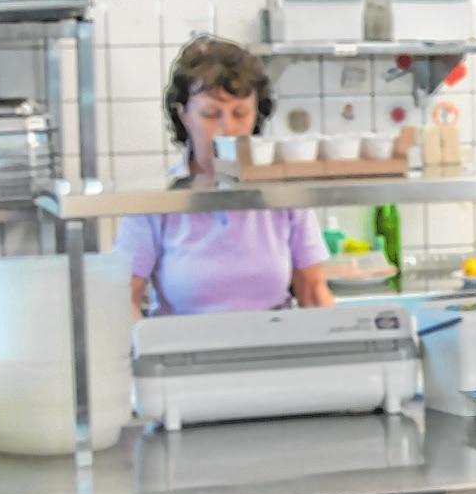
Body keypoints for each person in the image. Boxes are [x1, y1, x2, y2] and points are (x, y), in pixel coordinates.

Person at [115, 36, 334, 318]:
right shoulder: (158, 201)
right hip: (183, 344)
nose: (227, 128)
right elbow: (124, 300)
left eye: (240, 114)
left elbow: (313, 292)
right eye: (210, 114)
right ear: (184, 115)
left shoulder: (283, 195)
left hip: (272, 341)